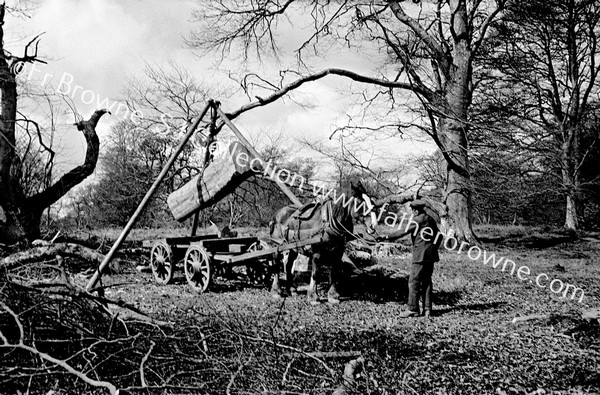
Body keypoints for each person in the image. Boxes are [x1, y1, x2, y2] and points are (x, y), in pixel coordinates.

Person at [377, 200, 440, 318]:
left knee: (413, 281)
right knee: (427, 281)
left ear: (416, 210)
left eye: (413, 210)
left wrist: (385, 236)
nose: (412, 212)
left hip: (420, 255)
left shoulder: (417, 220)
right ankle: (428, 309)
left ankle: (413, 309)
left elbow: (403, 231)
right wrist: (433, 247)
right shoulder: (430, 219)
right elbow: (439, 236)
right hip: (430, 255)